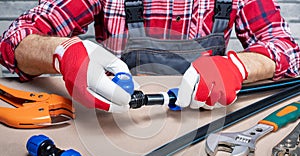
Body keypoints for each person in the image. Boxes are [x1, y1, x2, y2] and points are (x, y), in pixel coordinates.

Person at [0, 0, 299, 112]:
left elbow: (287, 49)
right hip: (113, 119)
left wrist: (239, 66)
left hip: (206, 119)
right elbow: (14, 40)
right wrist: (60, 52)